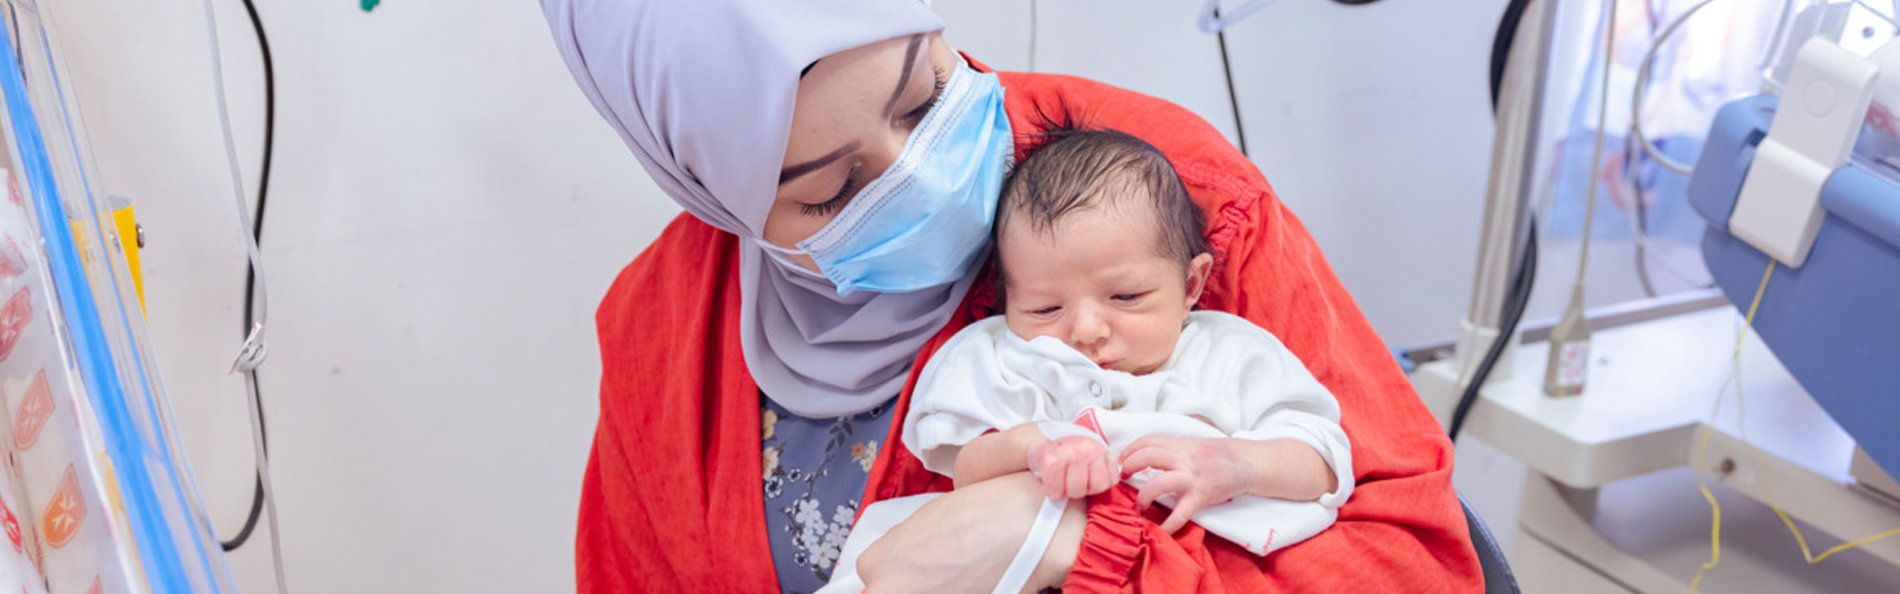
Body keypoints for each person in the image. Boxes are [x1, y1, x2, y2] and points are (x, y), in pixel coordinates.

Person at [539, 0, 1483, 592]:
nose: (921, 177)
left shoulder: (1161, 198)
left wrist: (1068, 543)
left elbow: (1417, 567)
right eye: (829, 192)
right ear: (713, 195)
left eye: (924, 96)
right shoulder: (661, 329)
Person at [822, 128, 1353, 593]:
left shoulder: (1230, 353)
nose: (1086, 331)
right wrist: (1034, 449)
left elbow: (1323, 459)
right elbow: (964, 465)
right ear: (1005, 299)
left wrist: (1233, 464)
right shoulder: (1002, 354)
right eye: (1045, 307)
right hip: (990, 556)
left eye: (1126, 297)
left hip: (1172, 561)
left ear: (1191, 284)